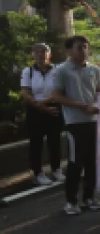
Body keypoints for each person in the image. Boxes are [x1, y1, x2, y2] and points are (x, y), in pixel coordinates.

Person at [49, 35, 100, 216]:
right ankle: (71, 201)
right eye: (79, 47)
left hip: (94, 123)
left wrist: (98, 106)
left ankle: (89, 198)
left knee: (92, 162)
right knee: (75, 162)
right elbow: (57, 96)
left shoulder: (95, 70)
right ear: (69, 50)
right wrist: (81, 106)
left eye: (86, 47)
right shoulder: (62, 70)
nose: (84, 51)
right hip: (75, 123)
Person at [20, 43, 65, 186]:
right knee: (36, 143)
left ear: (49, 55)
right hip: (35, 110)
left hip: (54, 108)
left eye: (43, 52)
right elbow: (25, 93)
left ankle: (56, 169)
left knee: (55, 141)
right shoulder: (28, 72)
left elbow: (60, 91)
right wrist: (40, 106)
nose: (40, 55)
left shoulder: (57, 70)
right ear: (32, 55)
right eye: (36, 52)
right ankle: (38, 172)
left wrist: (47, 103)